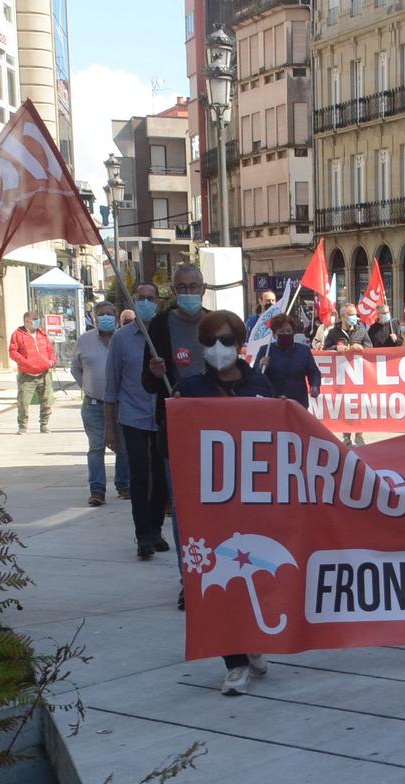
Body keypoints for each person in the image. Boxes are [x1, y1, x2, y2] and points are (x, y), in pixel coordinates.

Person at [175, 309, 280, 696]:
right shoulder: (189, 391)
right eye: (211, 341)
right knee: (218, 579)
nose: (219, 348)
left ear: (240, 344)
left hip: (255, 500)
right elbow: (172, 446)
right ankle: (234, 662)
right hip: (210, 504)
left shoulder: (262, 386)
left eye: (227, 340)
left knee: (256, 571)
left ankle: (252, 640)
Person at [104, 280, 174, 560]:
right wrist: (110, 428)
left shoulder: (167, 334)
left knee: (160, 476)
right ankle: (142, 534)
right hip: (132, 417)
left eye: (150, 297)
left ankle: (156, 529)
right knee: (139, 476)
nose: (145, 302)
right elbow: (112, 385)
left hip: (162, 415)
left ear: (158, 302)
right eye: (140, 297)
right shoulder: (121, 338)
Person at [69, 300, 130, 506]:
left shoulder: (124, 338)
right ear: (94, 319)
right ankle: (97, 490)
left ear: (116, 316)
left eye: (109, 314)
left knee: (123, 447)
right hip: (94, 405)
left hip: (121, 404)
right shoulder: (84, 341)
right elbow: (75, 368)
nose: (105, 317)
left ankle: (124, 485)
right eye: (101, 314)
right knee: (96, 448)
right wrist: (87, 386)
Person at [259, 312, 322, 406]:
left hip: (298, 402)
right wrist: (260, 366)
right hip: (272, 402)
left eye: (289, 331)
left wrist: (315, 385)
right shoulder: (266, 350)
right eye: (281, 331)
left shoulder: (303, 350)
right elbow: (256, 376)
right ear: (274, 334)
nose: (286, 334)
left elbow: (313, 372)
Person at [9, 308, 56, 433]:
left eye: (37, 320)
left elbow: (50, 349)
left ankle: (44, 425)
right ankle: (23, 426)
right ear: (26, 321)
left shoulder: (42, 333)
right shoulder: (17, 334)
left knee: (47, 401)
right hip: (27, 375)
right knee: (23, 402)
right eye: (34, 320)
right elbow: (13, 352)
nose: (36, 323)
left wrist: (51, 361)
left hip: (44, 374)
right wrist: (26, 363)